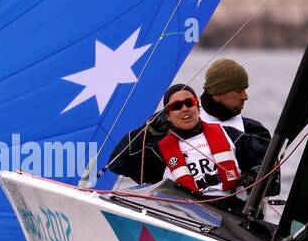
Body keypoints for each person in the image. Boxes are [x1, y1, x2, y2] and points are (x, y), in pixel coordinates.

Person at [106, 84, 266, 205]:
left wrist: (253, 176)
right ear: (167, 115)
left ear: (198, 107)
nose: (184, 109)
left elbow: (266, 162)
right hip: (185, 219)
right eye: (176, 106)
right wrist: (146, 131)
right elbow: (116, 164)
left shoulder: (230, 135)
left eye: (189, 103)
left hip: (232, 218)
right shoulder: (157, 151)